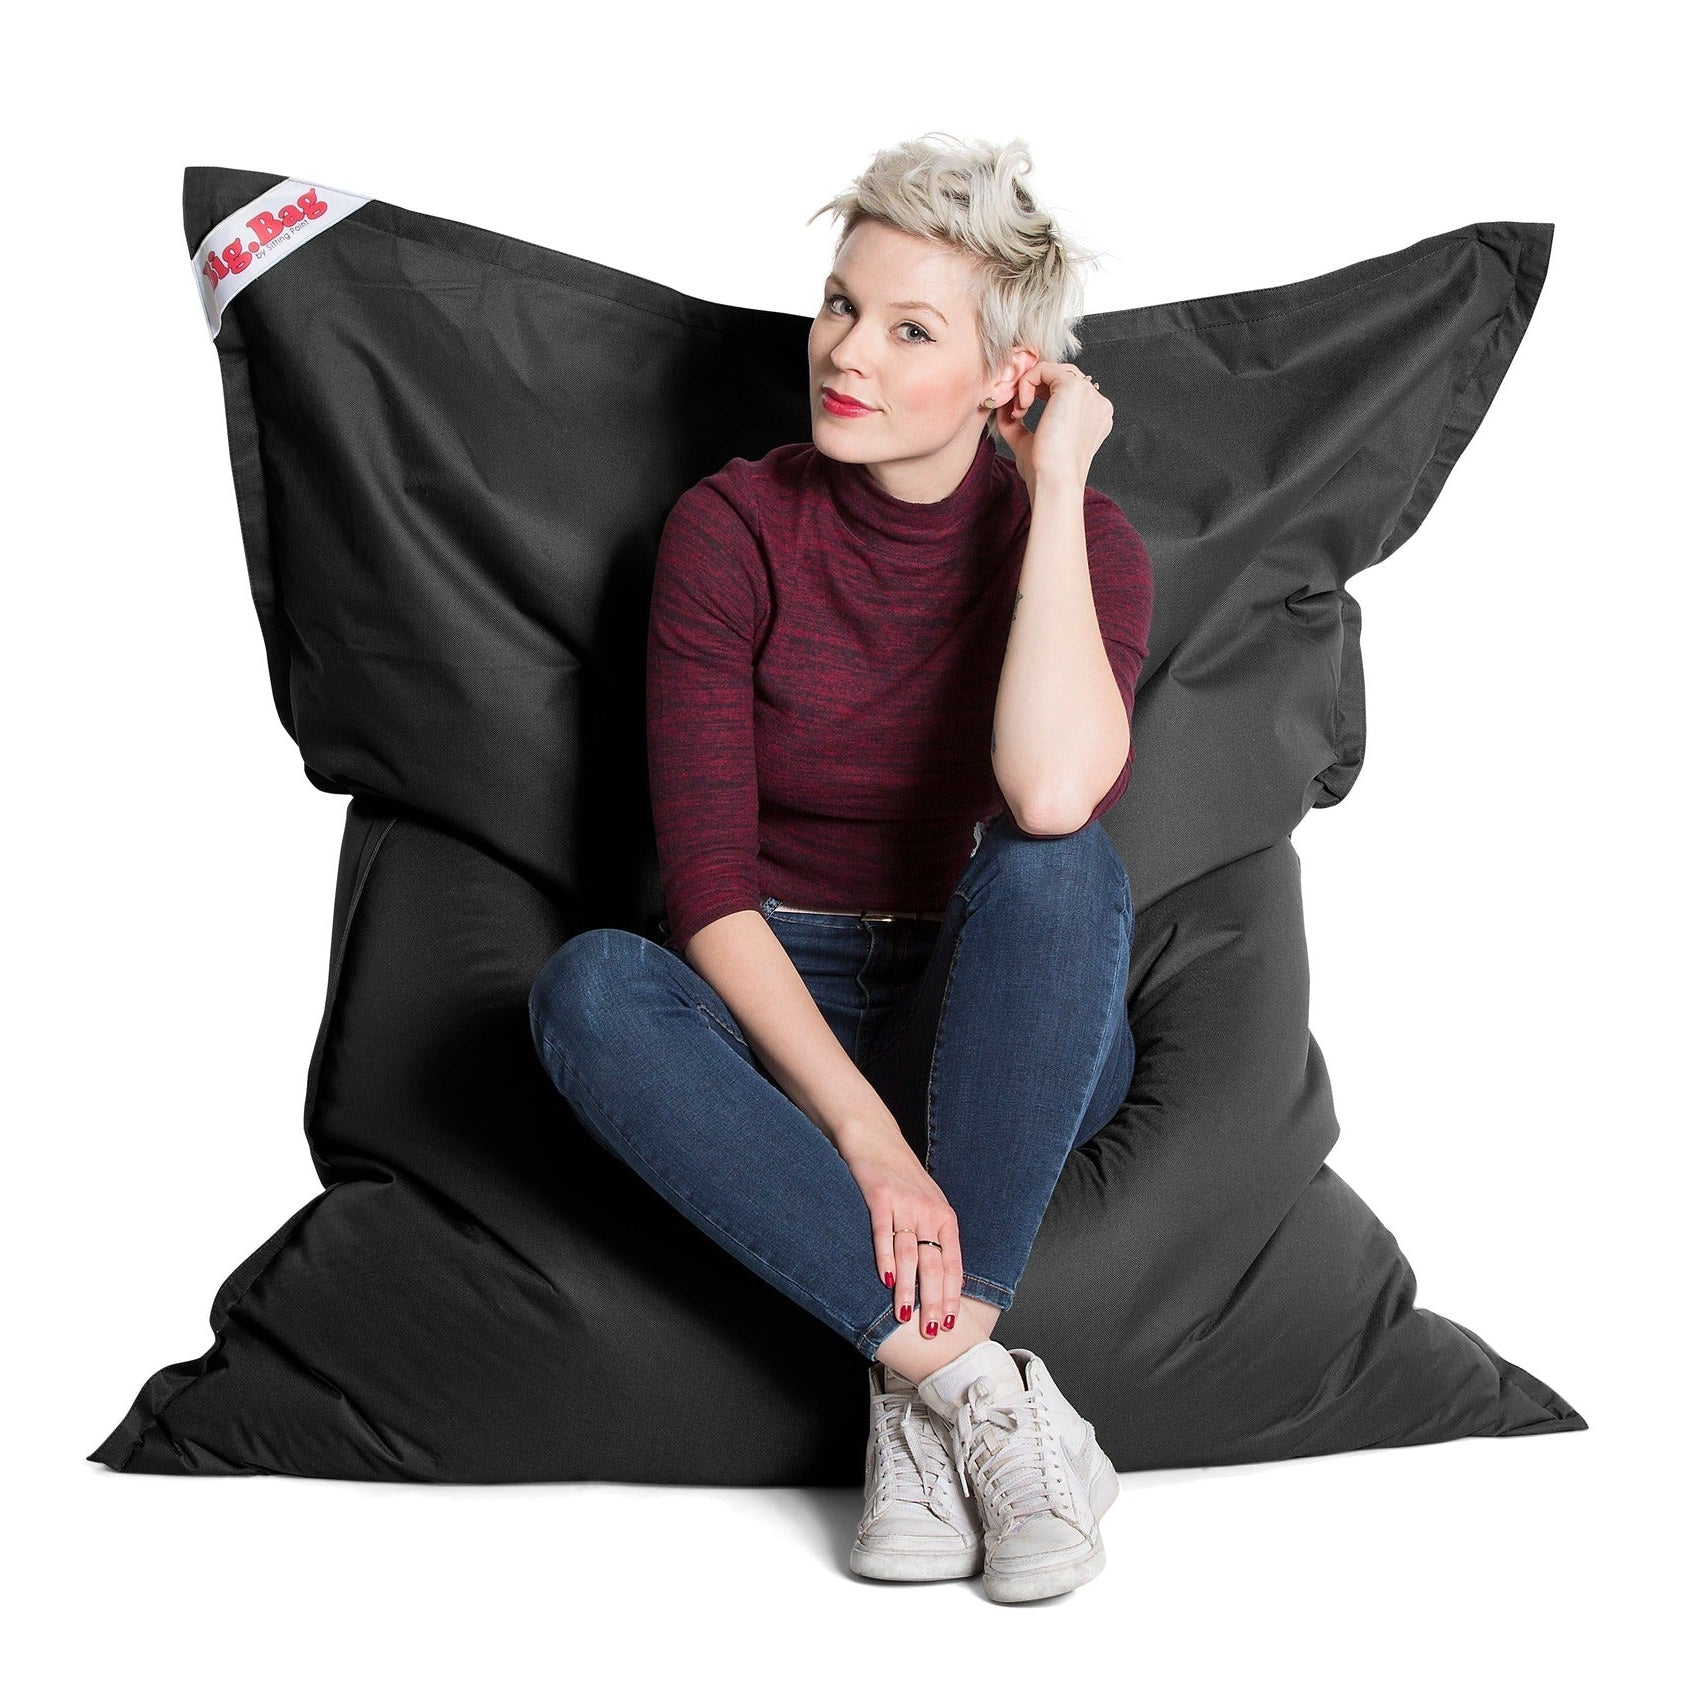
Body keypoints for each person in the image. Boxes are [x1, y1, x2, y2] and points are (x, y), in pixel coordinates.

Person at [528, 132, 1153, 1604]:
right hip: (771, 993)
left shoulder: (1087, 545)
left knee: (1058, 868)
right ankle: (978, 1399)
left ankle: (915, 1390)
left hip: (989, 998)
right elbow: (708, 892)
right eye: (837, 305)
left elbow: (1050, 792)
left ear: (1006, 375)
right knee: (591, 989)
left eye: (909, 328)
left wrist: (1053, 489)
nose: (845, 352)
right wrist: (866, 1139)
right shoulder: (728, 528)